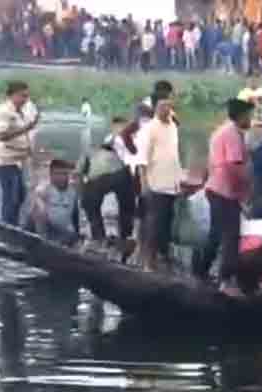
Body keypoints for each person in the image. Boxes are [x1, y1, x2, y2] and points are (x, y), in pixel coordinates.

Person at [199, 99, 254, 296]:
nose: (251, 119)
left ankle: (200, 270)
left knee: (215, 235)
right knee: (231, 236)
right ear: (240, 117)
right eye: (249, 115)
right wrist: (248, 185)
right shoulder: (232, 135)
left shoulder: (223, 131)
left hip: (216, 189)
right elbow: (234, 165)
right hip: (224, 192)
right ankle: (226, 280)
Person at [77, 116, 136, 254]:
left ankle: (101, 238)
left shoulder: (93, 148)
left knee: (90, 203)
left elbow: (79, 174)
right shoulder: (115, 143)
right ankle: (123, 236)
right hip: (119, 175)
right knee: (126, 206)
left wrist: (82, 197)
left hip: (108, 177)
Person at [137, 97, 184, 272]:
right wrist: (144, 185)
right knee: (153, 223)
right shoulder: (148, 129)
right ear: (155, 108)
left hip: (171, 183)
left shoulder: (173, 126)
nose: (166, 109)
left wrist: (179, 180)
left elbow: (174, 154)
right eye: (162, 106)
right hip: (155, 183)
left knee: (166, 222)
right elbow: (142, 159)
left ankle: (163, 255)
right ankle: (148, 261)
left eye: (169, 106)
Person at [0, 81, 39, 226]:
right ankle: (6, 226)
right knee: (10, 197)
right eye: (22, 96)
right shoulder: (3, 111)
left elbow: (27, 134)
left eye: (27, 96)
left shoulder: (22, 112)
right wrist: (26, 128)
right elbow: (1, 136)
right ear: (11, 95)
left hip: (16, 162)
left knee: (20, 195)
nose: (25, 99)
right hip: (3, 161)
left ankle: (12, 225)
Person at [26, 159, 79, 246]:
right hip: (44, 228)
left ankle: (57, 245)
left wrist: (77, 234)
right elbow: (37, 199)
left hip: (61, 230)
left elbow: (75, 217)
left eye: (64, 174)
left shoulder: (73, 192)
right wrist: (41, 205)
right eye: (57, 174)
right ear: (51, 175)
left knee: (72, 236)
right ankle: (42, 243)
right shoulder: (45, 188)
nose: (61, 177)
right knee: (37, 210)